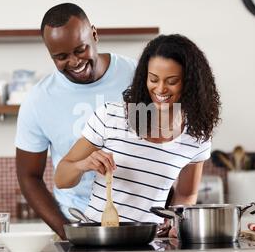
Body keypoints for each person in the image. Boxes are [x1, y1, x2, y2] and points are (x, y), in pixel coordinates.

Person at [54, 34, 221, 227]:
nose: (160, 89)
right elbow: (61, 178)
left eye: (172, 81)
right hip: (100, 239)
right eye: (153, 79)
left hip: (152, 243)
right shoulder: (112, 116)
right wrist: (83, 164)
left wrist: (175, 223)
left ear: (191, 83)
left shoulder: (196, 135)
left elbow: (186, 193)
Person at [15, 3, 136, 239]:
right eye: (60, 57)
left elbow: (167, 147)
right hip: (78, 219)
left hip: (140, 222)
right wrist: (67, 232)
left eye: (80, 50)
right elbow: (28, 176)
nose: (73, 62)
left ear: (94, 34)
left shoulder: (138, 77)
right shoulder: (38, 100)